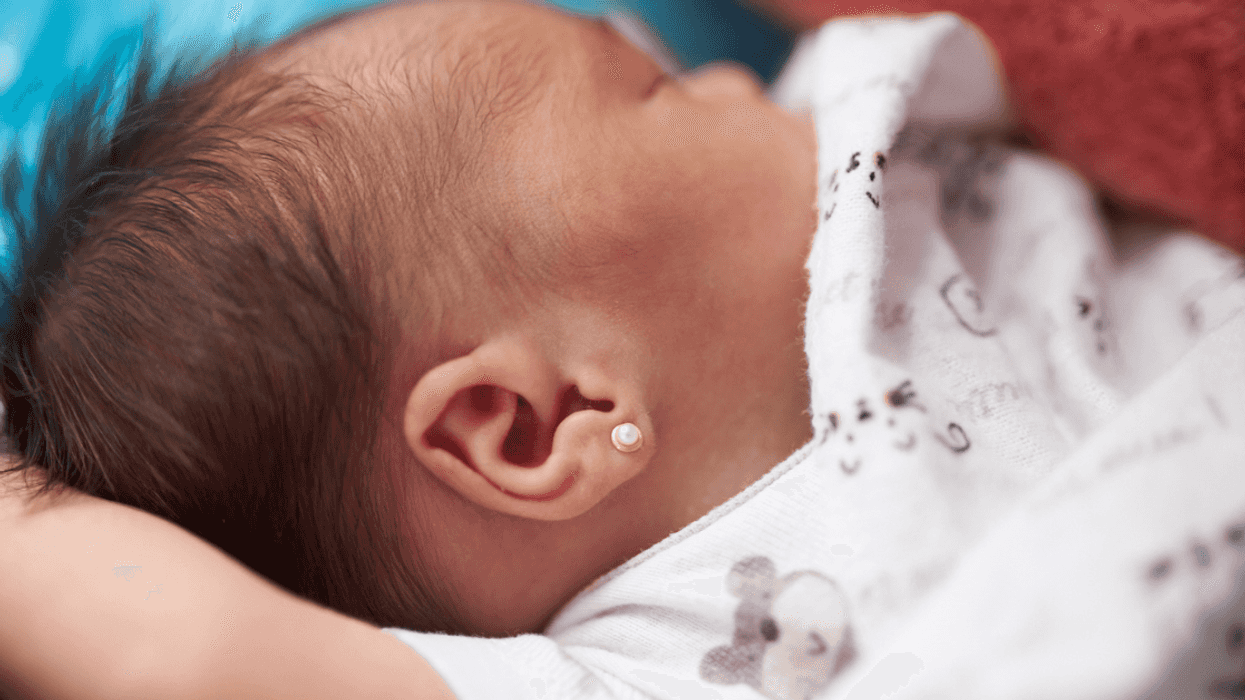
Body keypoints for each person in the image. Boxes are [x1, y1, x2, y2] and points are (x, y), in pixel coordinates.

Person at [2, 1, 1243, 699]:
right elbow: (178, 651)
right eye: (646, 94)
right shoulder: (635, 672)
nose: (712, 75)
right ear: (544, 425)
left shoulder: (911, 182)